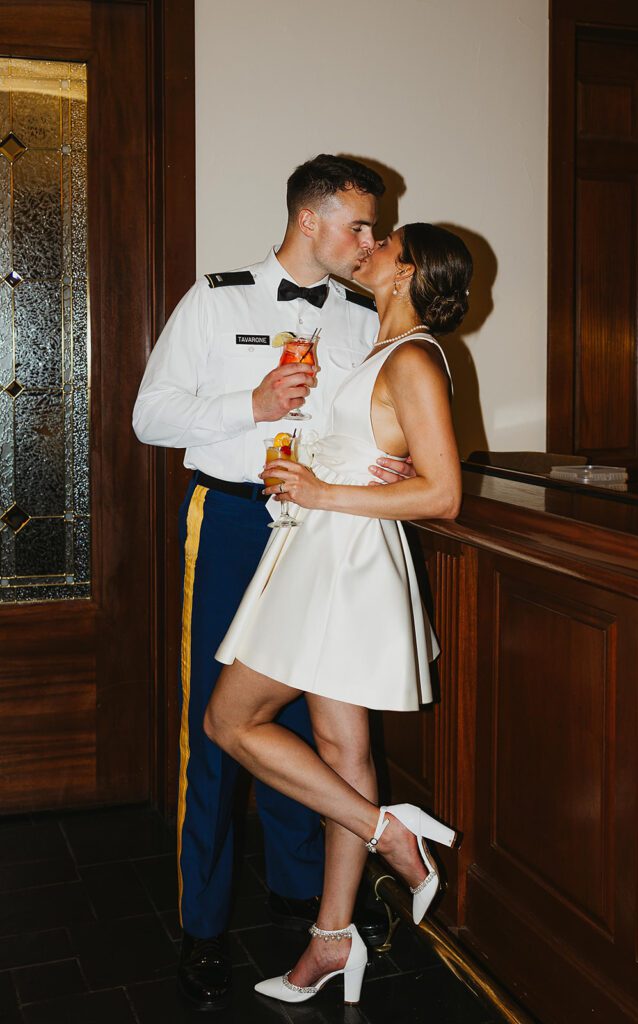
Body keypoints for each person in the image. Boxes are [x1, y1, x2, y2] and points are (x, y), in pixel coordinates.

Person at [132, 154, 416, 1011]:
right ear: (309, 220)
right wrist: (245, 408)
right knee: (217, 728)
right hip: (228, 521)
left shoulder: (364, 318)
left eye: (372, 230)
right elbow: (150, 416)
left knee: (305, 716)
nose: (368, 244)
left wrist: (382, 459)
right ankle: (205, 925)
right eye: (357, 226)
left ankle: (303, 904)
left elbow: (370, 417)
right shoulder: (215, 299)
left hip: (323, 531)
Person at [204, 222, 473, 1006]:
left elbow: (443, 494)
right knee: (339, 749)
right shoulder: (384, 352)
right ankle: (331, 938)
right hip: (322, 550)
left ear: (406, 271)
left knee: (229, 722)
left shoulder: (416, 356)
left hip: (340, 563)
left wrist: (320, 490)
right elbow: (379, 458)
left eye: (382, 243)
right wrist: (306, 470)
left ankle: (390, 832)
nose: (368, 247)